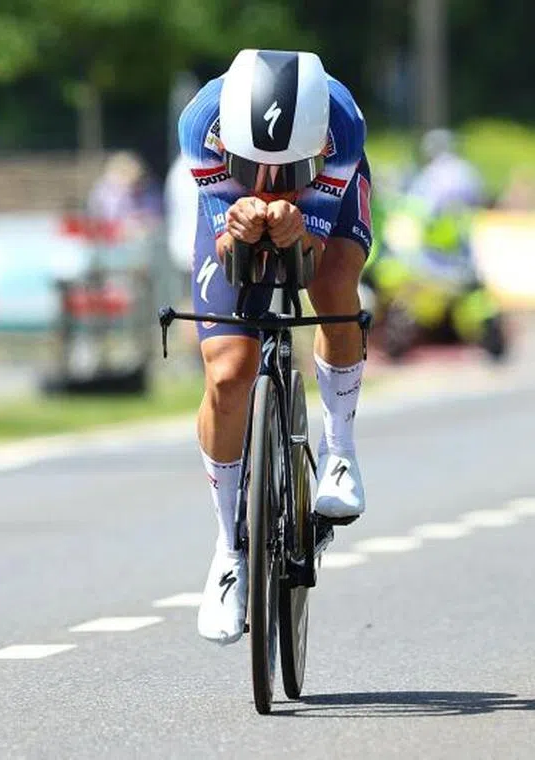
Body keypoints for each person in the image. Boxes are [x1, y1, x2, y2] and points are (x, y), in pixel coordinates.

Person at [178, 49, 373, 645]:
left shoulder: (341, 126)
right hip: (228, 210)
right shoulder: (198, 124)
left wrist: (299, 224)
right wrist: (236, 223)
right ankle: (228, 552)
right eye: (250, 166)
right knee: (230, 372)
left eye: (284, 168)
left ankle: (337, 447)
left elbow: (307, 261)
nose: (266, 180)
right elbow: (229, 254)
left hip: (325, 195)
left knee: (332, 286)